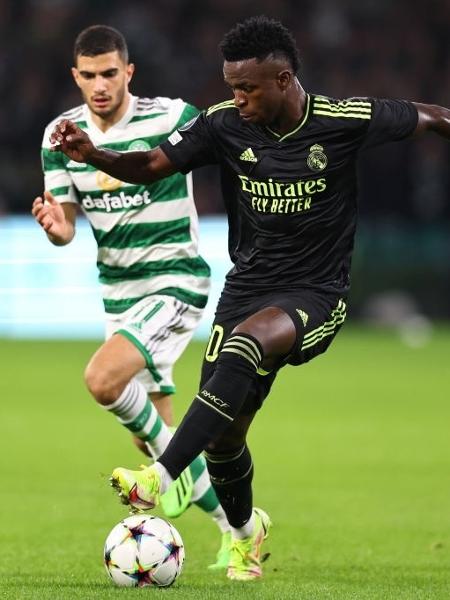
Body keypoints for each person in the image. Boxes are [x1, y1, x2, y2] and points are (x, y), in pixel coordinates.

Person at [49, 15, 450, 582]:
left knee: (247, 344)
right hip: (247, 289)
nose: (235, 98)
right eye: (231, 86)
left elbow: (434, 118)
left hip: (316, 294)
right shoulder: (222, 125)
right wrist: (95, 156)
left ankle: (159, 477)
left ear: (284, 80)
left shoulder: (342, 121)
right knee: (225, 436)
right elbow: (151, 165)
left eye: (247, 88)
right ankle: (244, 535)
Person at [32, 24, 232, 570]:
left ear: (129, 72)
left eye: (110, 73)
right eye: (89, 75)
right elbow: (67, 223)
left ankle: (203, 508)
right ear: (76, 76)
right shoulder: (59, 135)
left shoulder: (172, 118)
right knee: (157, 443)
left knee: (102, 378)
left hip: (175, 280)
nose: (100, 85)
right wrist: (55, 226)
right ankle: (237, 526)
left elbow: (230, 144)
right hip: (119, 294)